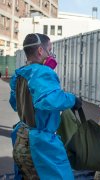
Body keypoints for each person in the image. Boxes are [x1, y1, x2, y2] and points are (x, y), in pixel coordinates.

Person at [9, 33, 82, 179]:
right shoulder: (43, 72)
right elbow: (51, 100)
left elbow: (15, 104)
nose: (52, 54)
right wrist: (73, 99)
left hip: (21, 139)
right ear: (41, 51)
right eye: (50, 49)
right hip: (39, 146)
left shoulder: (20, 74)